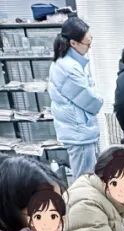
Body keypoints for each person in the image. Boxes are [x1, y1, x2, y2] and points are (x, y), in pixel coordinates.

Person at [49, 17, 103, 180]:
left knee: (87, 176)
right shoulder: (69, 68)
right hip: (79, 132)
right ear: (73, 43)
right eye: (87, 44)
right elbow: (91, 101)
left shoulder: (65, 63)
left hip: (78, 131)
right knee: (84, 179)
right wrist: (99, 97)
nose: (89, 47)